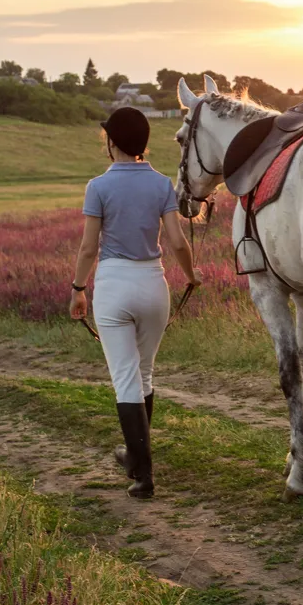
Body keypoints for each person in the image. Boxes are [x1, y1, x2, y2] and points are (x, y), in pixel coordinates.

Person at [69, 107, 201, 498]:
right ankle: (133, 454)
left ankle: (143, 475)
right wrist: (191, 276)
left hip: (114, 285)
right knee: (143, 374)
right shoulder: (161, 184)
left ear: (112, 142)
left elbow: (88, 247)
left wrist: (78, 288)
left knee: (126, 377)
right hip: (153, 284)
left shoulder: (98, 186)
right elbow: (177, 242)